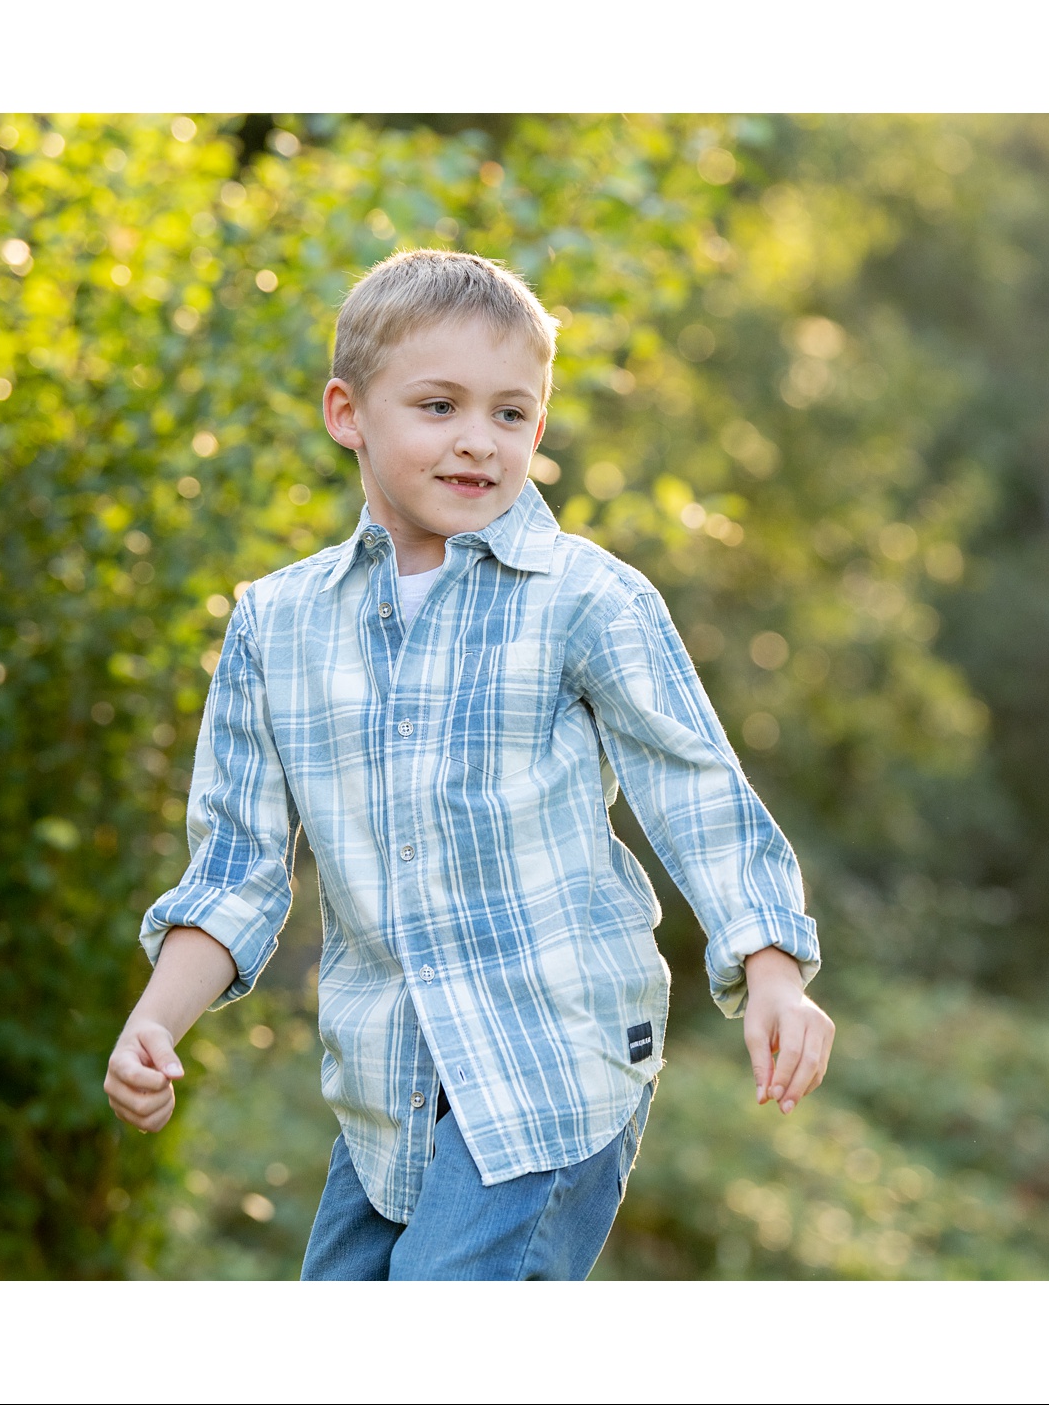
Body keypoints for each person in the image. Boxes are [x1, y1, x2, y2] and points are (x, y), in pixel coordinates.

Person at [101, 249, 834, 1280]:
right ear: (347, 413)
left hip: (549, 1062)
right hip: (387, 1087)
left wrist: (770, 969)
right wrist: (153, 1021)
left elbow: (697, 790)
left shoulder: (586, 599)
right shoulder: (278, 625)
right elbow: (236, 871)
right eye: (438, 406)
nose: (477, 443)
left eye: (510, 414)